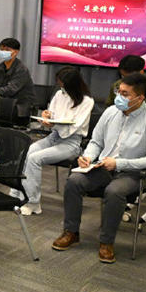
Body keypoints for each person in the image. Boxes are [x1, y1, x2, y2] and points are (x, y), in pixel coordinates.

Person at [52, 73, 146, 264]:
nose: (119, 97)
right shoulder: (111, 112)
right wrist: (88, 156)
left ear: (140, 97)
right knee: (74, 181)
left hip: (136, 172)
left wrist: (119, 163)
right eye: (118, 91)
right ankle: (71, 231)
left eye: (125, 94)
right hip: (105, 166)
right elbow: (96, 141)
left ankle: (106, 242)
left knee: (114, 191)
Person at [20, 66, 94, 215]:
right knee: (26, 153)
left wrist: (54, 123)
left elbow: (76, 125)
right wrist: (47, 116)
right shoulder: (59, 94)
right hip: (54, 136)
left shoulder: (87, 101)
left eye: (63, 84)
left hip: (71, 142)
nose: (61, 87)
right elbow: (51, 114)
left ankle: (33, 202)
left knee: (34, 159)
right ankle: (19, 195)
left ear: (72, 85)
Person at [0, 37, 35, 117]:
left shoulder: (21, 69)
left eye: (7, 50)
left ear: (16, 52)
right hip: (6, 104)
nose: (3, 52)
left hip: (21, 107)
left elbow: (10, 90)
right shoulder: (0, 67)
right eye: (1, 49)